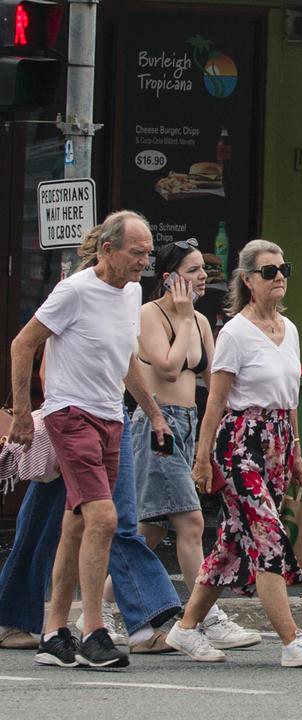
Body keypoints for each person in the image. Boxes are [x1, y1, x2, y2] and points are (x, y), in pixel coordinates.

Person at [7, 210, 178, 669]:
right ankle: (93, 631)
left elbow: (125, 360)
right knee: (104, 518)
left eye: (148, 253)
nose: (144, 262)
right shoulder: (74, 291)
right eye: (135, 253)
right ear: (108, 250)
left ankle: (52, 631)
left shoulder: (133, 293)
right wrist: (24, 412)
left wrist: (155, 414)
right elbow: (23, 344)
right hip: (71, 414)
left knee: (77, 524)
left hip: (110, 417)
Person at [164, 240, 302, 668]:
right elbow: (216, 403)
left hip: (277, 439)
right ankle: (291, 640)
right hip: (240, 442)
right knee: (267, 535)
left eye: (284, 269)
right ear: (248, 280)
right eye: (268, 271)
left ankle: (185, 630)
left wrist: (296, 451)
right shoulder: (235, 334)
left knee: (231, 544)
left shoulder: (290, 330)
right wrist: (202, 458)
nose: (279, 276)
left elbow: (290, 398)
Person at [132, 239, 261, 650]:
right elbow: (168, 368)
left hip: (188, 424)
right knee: (191, 523)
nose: (202, 276)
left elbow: (214, 380)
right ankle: (205, 617)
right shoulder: (149, 315)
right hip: (158, 425)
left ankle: (92, 612)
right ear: (170, 278)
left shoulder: (204, 322)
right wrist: (185, 316)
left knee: (147, 534)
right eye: (191, 270)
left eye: (203, 269)